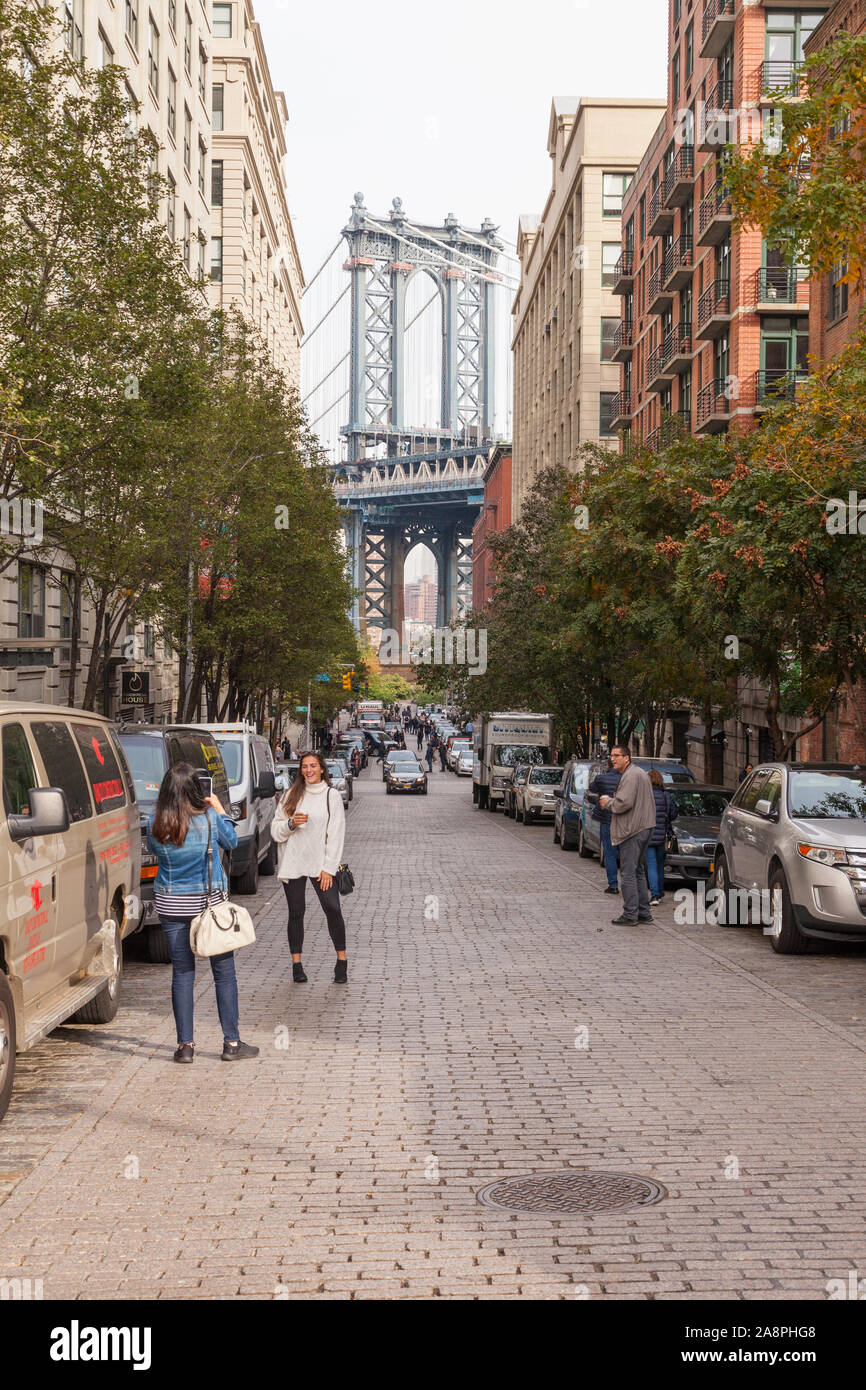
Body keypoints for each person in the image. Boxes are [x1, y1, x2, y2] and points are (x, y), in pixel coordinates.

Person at [147, 763, 259, 1064]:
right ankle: (231, 1043)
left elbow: (155, 851)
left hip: (171, 904)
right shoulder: (209, 818)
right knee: (224, 974)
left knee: (182, 974)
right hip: (209, 907)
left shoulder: (156, 822)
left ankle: (185, 1046)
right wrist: (220, 808)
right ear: (197, 790)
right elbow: (232, 842)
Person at [272, 750, 348, 984]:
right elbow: (275, 832)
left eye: (313, 766)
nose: (309, 770)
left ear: (322, 769)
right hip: (294, 862)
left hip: (321, 864)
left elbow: (335, 834)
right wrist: (291, 823)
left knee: (332, 908)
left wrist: (328, 868)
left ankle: (341, 961)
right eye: (305, 766)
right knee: (296, 913)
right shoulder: (290, 795)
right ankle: (297, 964)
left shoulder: (331, 796)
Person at [600, 745, 656, 925]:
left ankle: (631, 914)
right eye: (612, 755)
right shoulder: (639, 773)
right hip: (643, 828)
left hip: (633, 830)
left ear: (627, 758)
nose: (613, 759)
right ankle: (643, 913)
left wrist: (608, 802)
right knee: (638, 871)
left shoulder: (631, 775)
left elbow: (623, 803)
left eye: (617, 756)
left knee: (628, 874)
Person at [588, 759, 621, 895]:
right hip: (624, 822)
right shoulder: (625, 778)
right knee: (626, 854)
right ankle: (629, 884)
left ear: (608, 766)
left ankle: (613, 885)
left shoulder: (602, 778)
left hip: (607, 820)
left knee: (609, 854)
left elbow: (592, 788)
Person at [647, 769, 678, 906]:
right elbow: (673, 814)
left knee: (651, 865)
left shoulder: (645, 795)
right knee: (660, 865)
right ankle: (659, 892)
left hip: (648, 834)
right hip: (662, 835)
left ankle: (654, 895)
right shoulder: (666, 796)